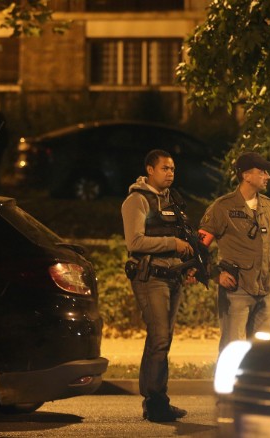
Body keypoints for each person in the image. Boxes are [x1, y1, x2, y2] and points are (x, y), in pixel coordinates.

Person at [121, 149, 195, 423]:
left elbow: (182, 236)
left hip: (173, 276)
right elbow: (135, 242)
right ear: (150, 170)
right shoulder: (136, 200)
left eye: (173, 169)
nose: (170, 173)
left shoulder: (172, 201)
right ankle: (155, 402)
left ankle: (155, 400)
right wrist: (172, 245)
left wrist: (187, 265)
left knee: (160, 339)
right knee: (160, 338)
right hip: (150, 278)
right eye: (165, 168)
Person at [198, 152, 270, 353]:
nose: (268, 176)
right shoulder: (222, 208)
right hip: (236, 293)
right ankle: (230, 386)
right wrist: (215, 274)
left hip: (265, 292)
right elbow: (198, 247)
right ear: (246, 175)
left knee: (261, 354)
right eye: (262, 171)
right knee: (233, 352)